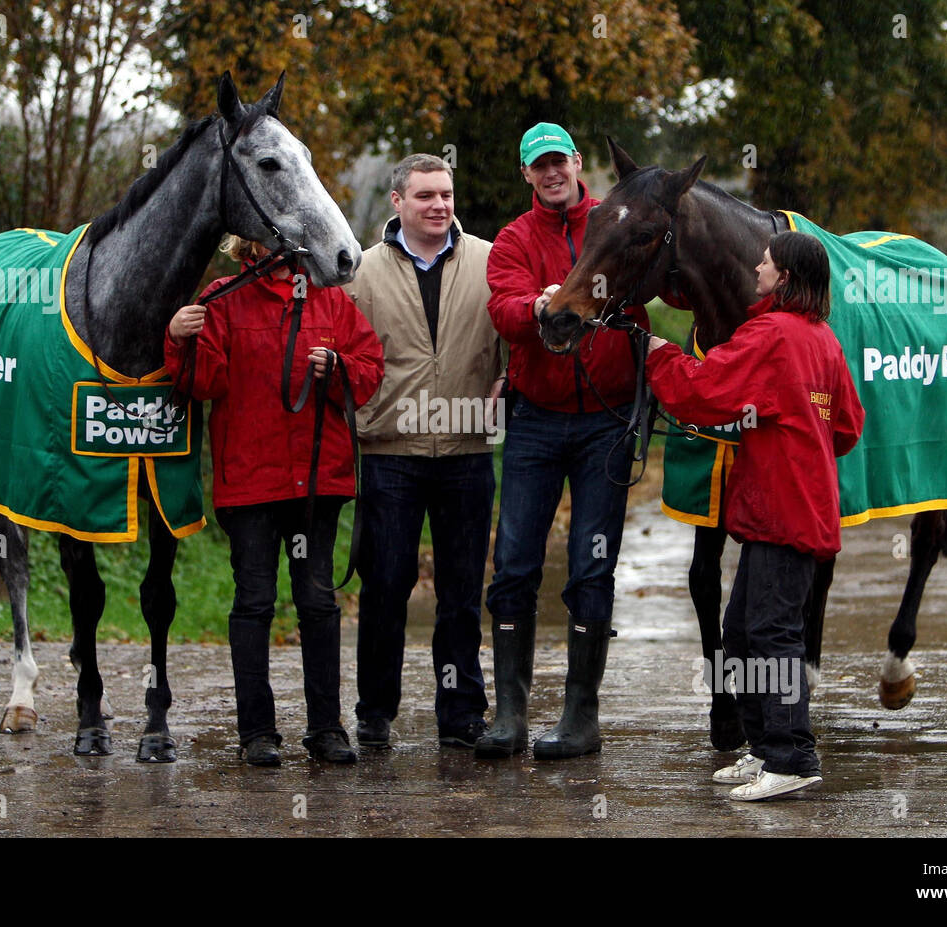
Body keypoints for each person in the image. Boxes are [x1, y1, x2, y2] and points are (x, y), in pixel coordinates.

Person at [645, 230, 865, 800]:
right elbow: (847, 427)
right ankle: (765, 747)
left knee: (771, 633)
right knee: (742, 631)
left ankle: (792, 757)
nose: (757, 269)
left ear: (786, 278)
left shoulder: (769, 333)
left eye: (765, 264)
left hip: (781, 511)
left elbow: (704, 391)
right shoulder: (823, 340)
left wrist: (659, 355)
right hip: (793, 508)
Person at [165, 235, 383, 767]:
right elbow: (203, 382)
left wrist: (338, 369)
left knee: (317, 603)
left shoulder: (331, 296)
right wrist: (178, 338)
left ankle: (326, 730)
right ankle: (257, 733)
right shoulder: (221, 298)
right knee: (255, 602)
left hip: (317, 479)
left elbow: (371, 369)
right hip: (251, 483)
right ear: (247, 242)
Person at [475, 123, 651, 760]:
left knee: (591, 565)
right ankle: (510, 715)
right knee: (516, 562)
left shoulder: (612, 222)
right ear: (527, 175)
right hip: (537, 422)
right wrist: (541, 308)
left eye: (561, 162)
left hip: (606, 421)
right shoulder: (514, 240)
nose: (552, 173)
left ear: (578, 164)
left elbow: (641, 287)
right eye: (539, 166)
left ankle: (581, 717)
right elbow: (503, 307)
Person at [345, 154, 502, 749]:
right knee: (385, 585)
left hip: (465, 449)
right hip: (391, 449)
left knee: (462, 591)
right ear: (397, 202)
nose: (439, 205)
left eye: (446, 194)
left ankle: (461, 712)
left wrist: (506, 379)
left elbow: (514, 333)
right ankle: (374, 711)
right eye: (426, 196)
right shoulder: (360, 271)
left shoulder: (490, 261)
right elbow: (345, 353)